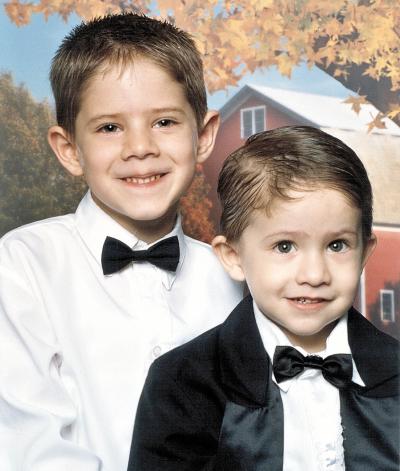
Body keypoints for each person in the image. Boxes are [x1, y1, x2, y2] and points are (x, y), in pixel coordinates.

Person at [0, 13, 243, 471]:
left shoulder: (234, 276)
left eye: (165, 121)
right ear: (69, 149)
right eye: (110, 127)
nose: (140, 147)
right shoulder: (21, 266)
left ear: (205, 136)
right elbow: (30, 446)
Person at [129, 126, 400, 471]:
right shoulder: (183, 381)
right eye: (284, 246)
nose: (314, 275)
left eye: (337, 245)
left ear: (365, 253)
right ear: (233, 256)